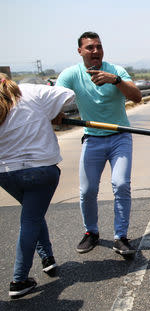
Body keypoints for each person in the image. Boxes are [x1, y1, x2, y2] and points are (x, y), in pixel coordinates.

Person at [56, 31, 142, 256]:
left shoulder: (116, 71)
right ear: (80, 51)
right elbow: (53, 99)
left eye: (99, 47)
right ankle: (91, 232)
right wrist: (54, 113)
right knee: (87, 190)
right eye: (90, 47)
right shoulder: (71, 74)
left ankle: (120, 237)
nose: (95, 51)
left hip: (120, 136)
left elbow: (137, 97)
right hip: (92, 138)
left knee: (121, 184)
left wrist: (115, 80)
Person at [0, 73, 75, 298]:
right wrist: (51, 113)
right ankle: (19, 280)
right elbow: (69, 95)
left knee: (33, 213)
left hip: (6, 173)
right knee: (31, 219)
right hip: (41, 170)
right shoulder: (30, 91)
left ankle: (48, 258)